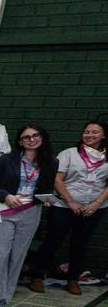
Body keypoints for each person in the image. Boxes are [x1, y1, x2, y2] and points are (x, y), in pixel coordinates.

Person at [0, 122, 56, 307]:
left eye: (35, 135)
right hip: (5, 210)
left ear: (42, 137)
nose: (31, 140)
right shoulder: (7, 160)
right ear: (20, 141)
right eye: (26, 137)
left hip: (31, 211)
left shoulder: (51, 162)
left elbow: (46, 187)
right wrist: (6, 195)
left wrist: (47, 198)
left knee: (17, 256)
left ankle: (3, 300)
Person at [39, 120, 108, 293]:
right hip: (64, 205)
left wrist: (96, 203)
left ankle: (73, 279)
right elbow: (57, 179)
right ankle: (37, 276)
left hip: (94, 208)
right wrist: (70, 201)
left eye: (94, 132)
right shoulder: (69, 154)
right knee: (53, 240)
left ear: (104, 135)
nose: (89, 135)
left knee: (81, 243)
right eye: (86, 132)